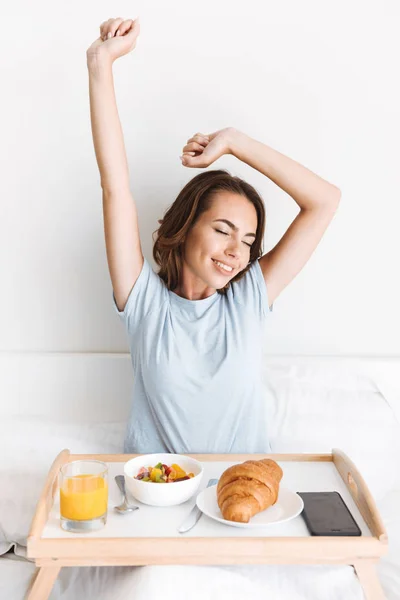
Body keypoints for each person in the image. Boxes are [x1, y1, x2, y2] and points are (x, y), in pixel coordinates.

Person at [86, 17, 341, 455]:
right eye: (223, 229)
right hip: (157, 498)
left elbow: (325, 200)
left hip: (239, 502)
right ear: (184, 230)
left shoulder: (249, 301)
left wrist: (236, 141)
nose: (235, 251)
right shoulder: (145, 304)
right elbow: (115, 185)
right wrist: (100, 65)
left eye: (246, 240)